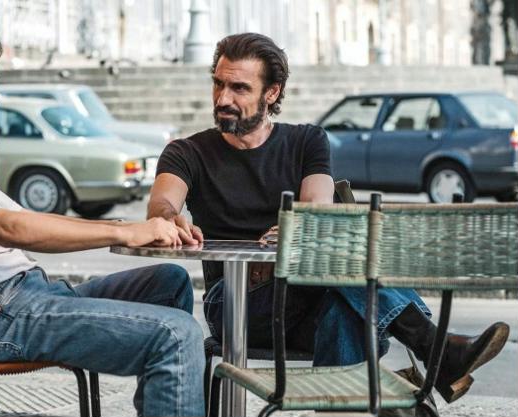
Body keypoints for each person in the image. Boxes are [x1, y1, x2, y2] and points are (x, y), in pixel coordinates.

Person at [148, 32, 508, 405]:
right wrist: (169, 218)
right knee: (336, 260)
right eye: (219, 84)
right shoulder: (186, 152)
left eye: (239, 88)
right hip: (236, 302)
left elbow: (315, 213)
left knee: (345, 311)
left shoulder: (307, 141)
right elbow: (161, 205)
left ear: (272, 92)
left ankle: (379, 386)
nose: (223, 99)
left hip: (313, 298)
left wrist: (299, 232)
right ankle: (436, 350)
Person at [0, 23, 204, 417]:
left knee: (168, 282)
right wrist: (127, 232)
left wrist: (132, 230)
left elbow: (24, 218)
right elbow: (10, 229)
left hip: (24, 298)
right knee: (175, 335)